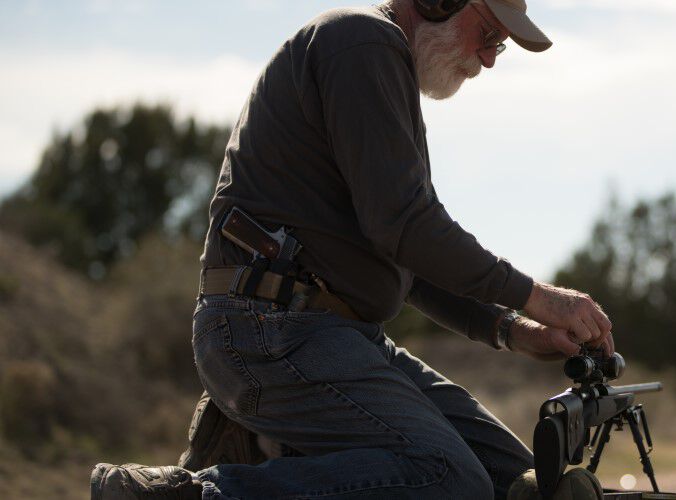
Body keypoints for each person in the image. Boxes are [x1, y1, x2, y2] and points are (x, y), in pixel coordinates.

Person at [90, 0, 614, 498]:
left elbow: (408, 257)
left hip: (328, 333)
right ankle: (187, 497)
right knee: (449, 481)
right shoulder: (361, 43)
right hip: (271, 328)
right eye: (491, 35)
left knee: (517, 480)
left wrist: (513, 330)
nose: (489, 59)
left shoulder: (382, 71)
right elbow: (407, 226)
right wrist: (538, 297)